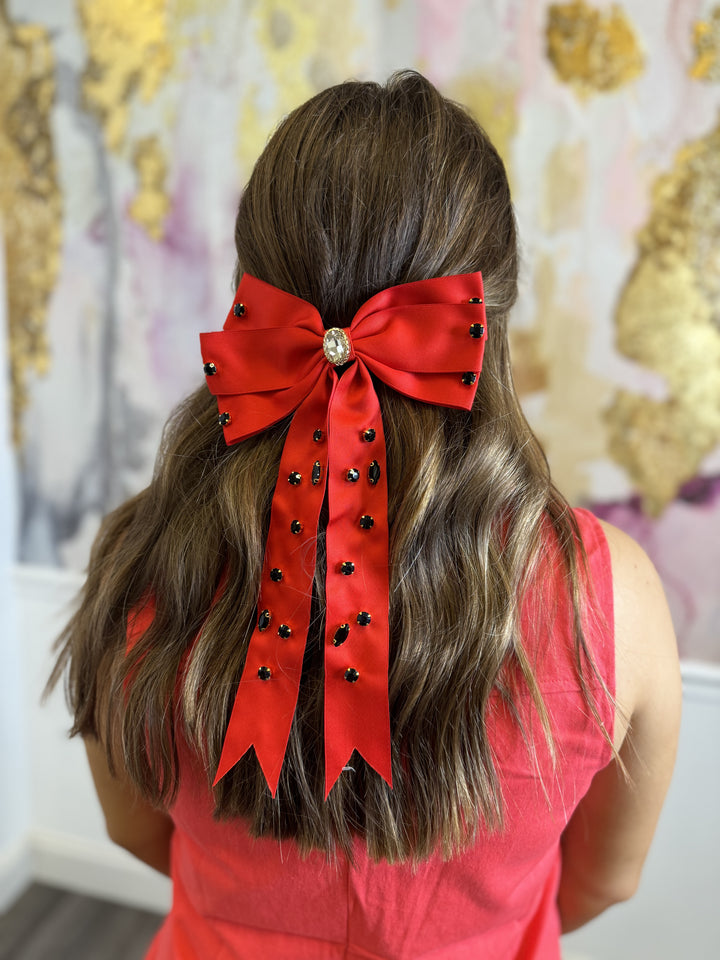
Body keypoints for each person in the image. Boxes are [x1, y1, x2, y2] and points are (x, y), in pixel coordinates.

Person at [49, 71, 681, 959]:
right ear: (485, 316)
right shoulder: (615, 600)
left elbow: (135, 833)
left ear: (253, 289)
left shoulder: (138, 560)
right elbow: (604, 882)